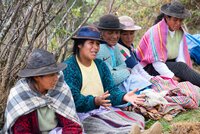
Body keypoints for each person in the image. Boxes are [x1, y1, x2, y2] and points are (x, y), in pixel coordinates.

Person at [63, 25, 162, 134]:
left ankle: (137, 131)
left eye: (97, 44)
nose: (95, 47)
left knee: (136, 118)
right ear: (79, 45)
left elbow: (111, 90)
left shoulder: (100, 65)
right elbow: (74, 100)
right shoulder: (69, 67)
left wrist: (123, 96)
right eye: (91, 43)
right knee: (99, 126)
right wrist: (95, 101)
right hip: (84, 113)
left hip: (103, 109)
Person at [3, 49, 82, 134]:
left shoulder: (60, 88)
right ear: (37, 77)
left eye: (56, 73)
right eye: (51, 75)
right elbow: (21, 131)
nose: (56, 78)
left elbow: (73, 125)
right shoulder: (21, 95)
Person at [136, 1, 200, 87]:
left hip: (168, 64)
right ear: (167, 18)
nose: (178, 23)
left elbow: (180, 58)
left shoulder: (179, 33)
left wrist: (182, 75)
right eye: (175, 20)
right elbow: (157, 63)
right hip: (149, 67)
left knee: (183, 69)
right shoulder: (156, 32)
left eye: (180, 20)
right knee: (181, 68)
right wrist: (172, 76)